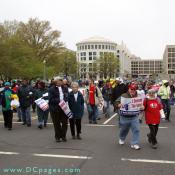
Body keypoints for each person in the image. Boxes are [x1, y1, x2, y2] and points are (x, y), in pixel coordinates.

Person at [117, 84, 143, 150]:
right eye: (131, 89)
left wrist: (142, 107)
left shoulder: (139, 96)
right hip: (124, 117)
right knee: (124, 130)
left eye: (134, 89)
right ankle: (122, 138)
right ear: (129, 89)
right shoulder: (124, 95)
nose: (133, 91)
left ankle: (135, 143)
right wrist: (118, 104)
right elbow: (116, 102)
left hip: (134, 116)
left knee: (136, 130)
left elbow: (141, 104)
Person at [48, 77, 69, 142]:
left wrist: (65, 100)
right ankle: (57, 136)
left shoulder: (65, 88)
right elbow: (50, 100)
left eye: (60, 81)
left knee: (65, 123)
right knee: (56, 123)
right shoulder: (51, 89)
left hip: (64, 108)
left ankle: (63, 136)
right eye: (58, 81)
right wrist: (60, 100)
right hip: (55, 108)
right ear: (55, 82)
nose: (60, 82)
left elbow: (67, 96)